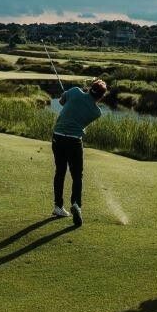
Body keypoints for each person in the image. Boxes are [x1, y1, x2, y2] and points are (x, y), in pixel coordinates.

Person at [51, 79, 107, 226]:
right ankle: (76, 204)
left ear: (89, 88)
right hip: (74, 141)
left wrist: (65, 95)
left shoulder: (75, 91)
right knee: (77, 175)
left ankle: (58, 206)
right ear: (100, 97)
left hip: (57, 137)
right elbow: (81, 122)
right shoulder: (96, 112)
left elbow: (62, 102)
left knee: (60, 171)